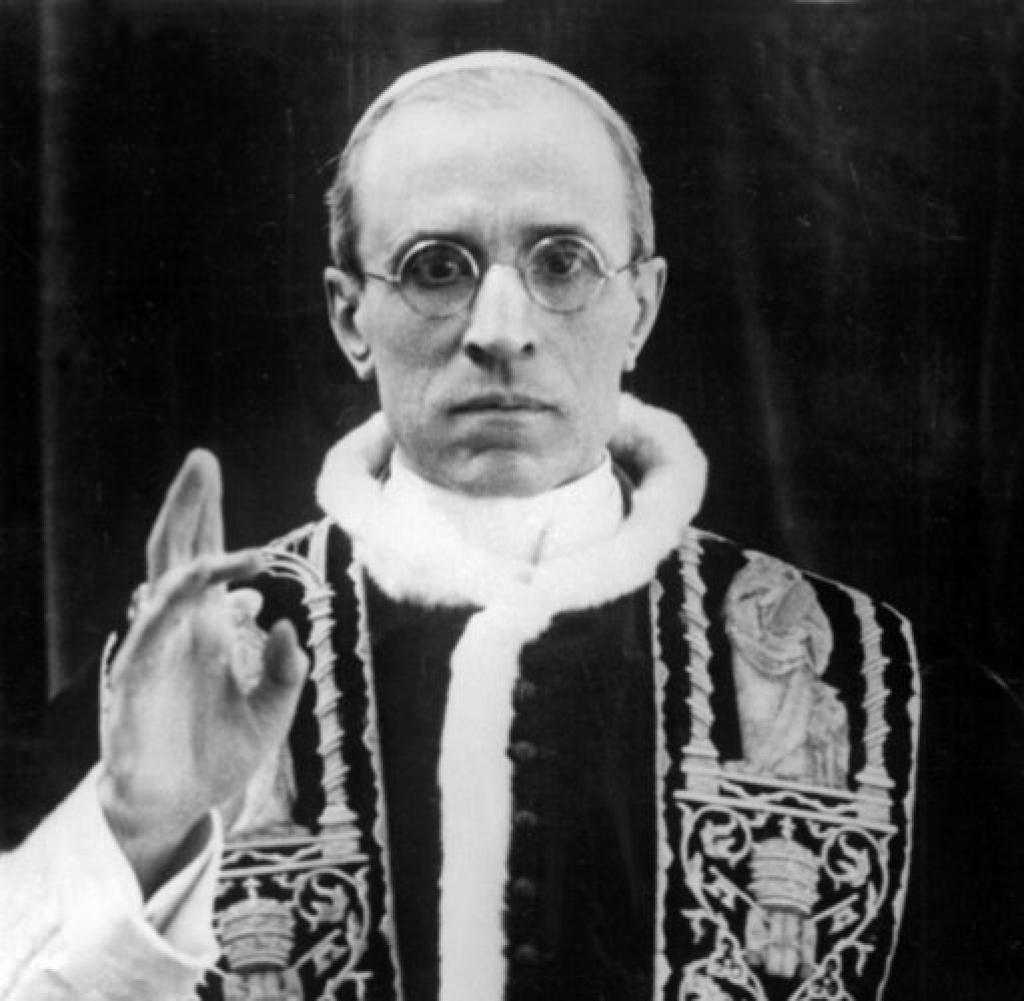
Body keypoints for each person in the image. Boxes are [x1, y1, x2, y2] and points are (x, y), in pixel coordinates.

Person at [0, 52, 918, 1001]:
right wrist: (137, 824)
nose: (500, 330)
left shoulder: (877, 679)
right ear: (350, 317)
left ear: (640, 309)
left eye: (563, 261)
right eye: (436, 268)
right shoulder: (176, 680)